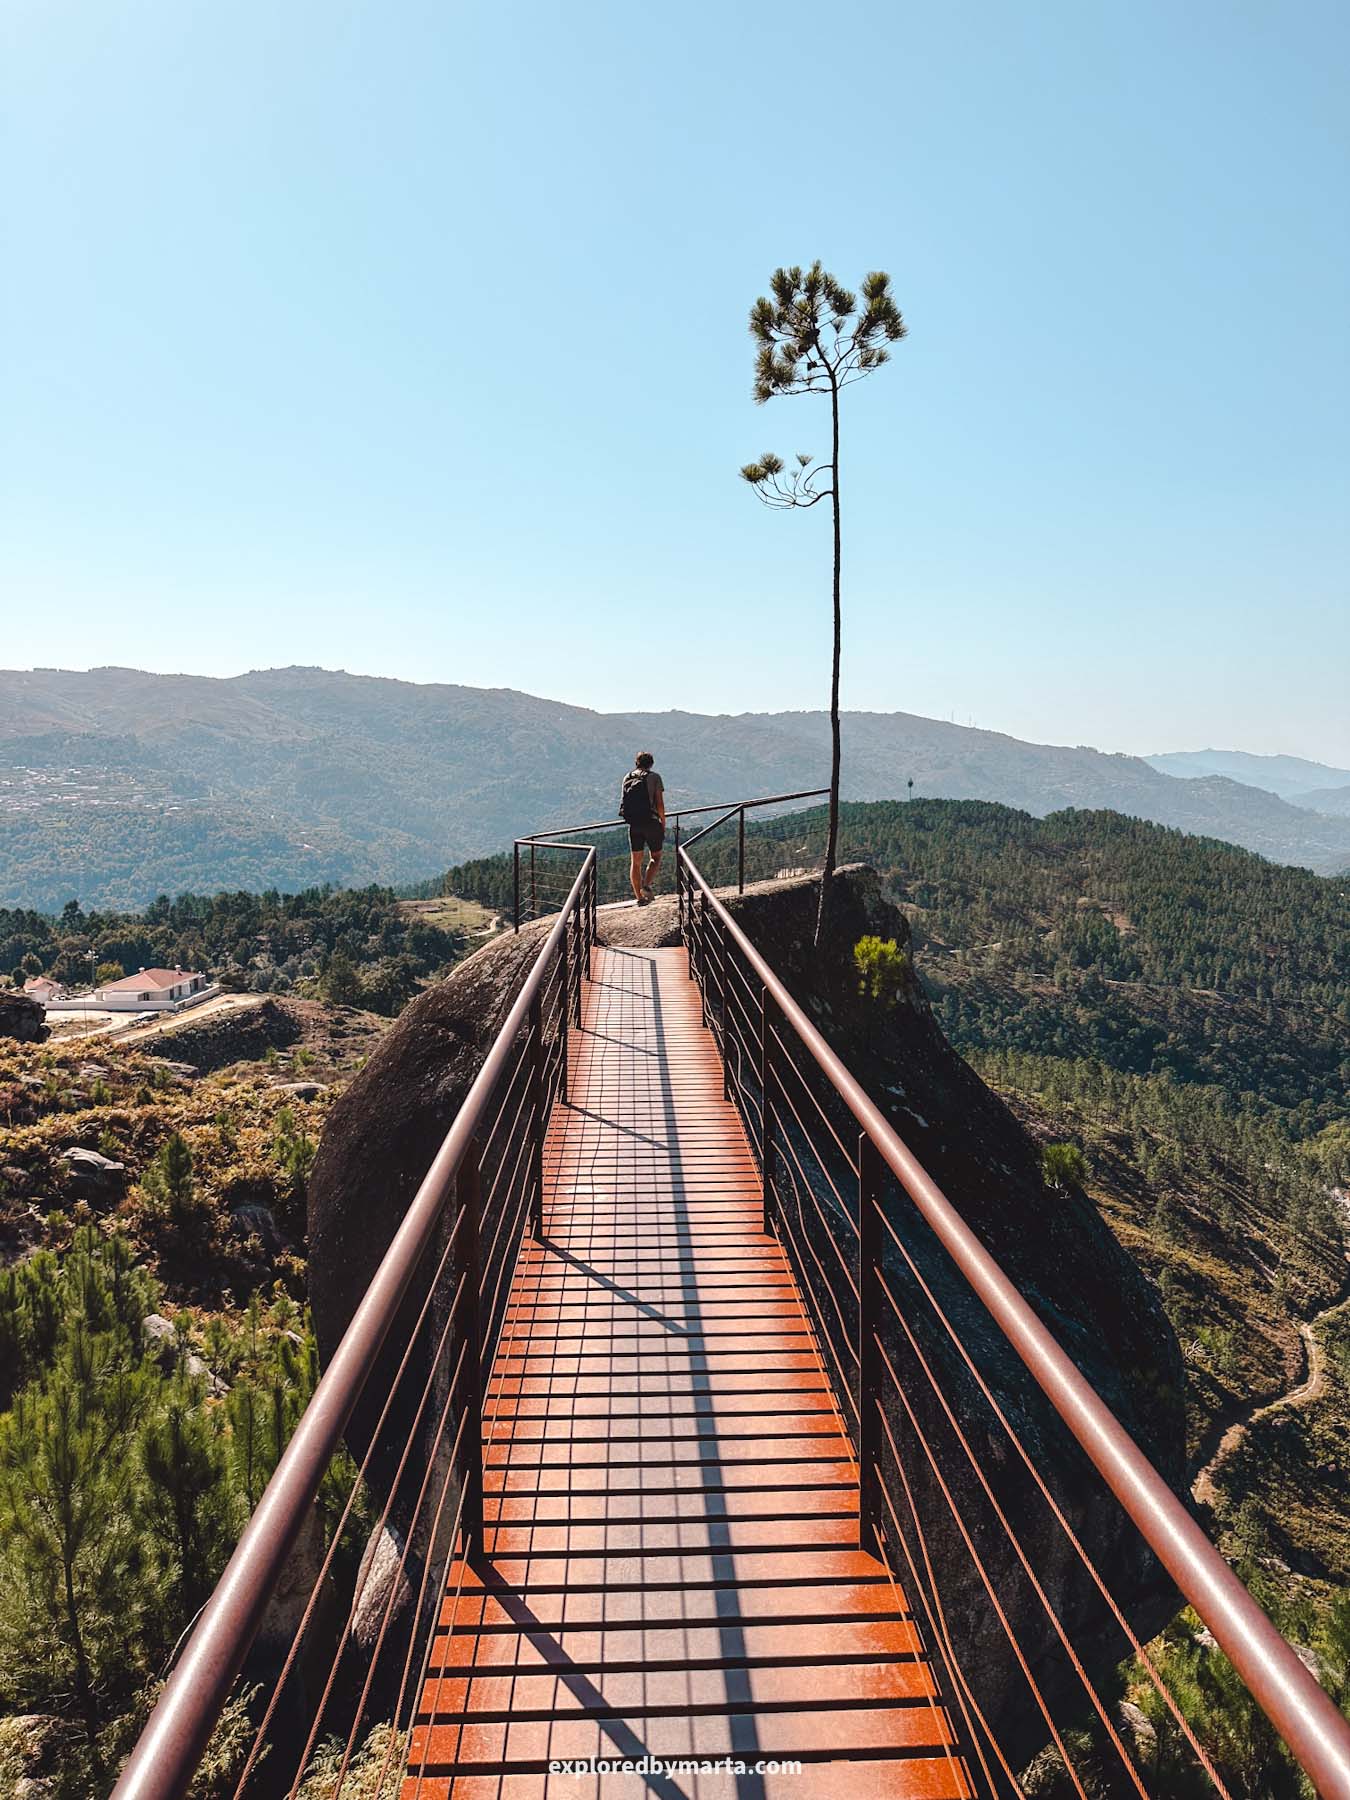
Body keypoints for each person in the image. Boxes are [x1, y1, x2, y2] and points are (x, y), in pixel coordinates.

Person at [619, 751, 666, 905]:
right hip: (651, 822)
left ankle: (639, 898)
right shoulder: (654, 777)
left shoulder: (627, 777)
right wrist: (663, 822)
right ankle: (646, 885)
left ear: (636, 763)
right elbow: (659, 803)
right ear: (651, 763)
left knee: (636, 862)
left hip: (634, 825)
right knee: (656, 856)